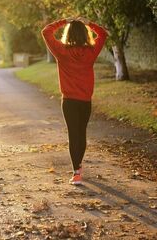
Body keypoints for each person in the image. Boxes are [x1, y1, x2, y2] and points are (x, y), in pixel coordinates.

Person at [41, 17, 108, 185]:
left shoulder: (61, 51)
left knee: (73, 134)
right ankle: (78, 168)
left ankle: (76, 171)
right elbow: (103, 34)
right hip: (85, 101)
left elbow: (46, 31)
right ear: (85, 34)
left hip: (69, 101)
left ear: (68, 33)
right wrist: (88, 23)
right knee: (81, 133)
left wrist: (64, 21)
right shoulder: (91, 52)